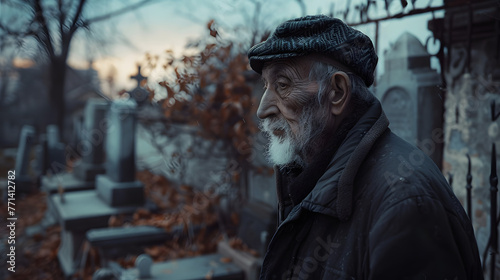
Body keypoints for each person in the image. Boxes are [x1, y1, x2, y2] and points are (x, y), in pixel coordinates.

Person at [248, 15, 483, 279]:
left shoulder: (405, 202)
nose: (262, 110)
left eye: (282, 85)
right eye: (266, 86)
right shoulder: (306, 172)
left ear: (336, 92)